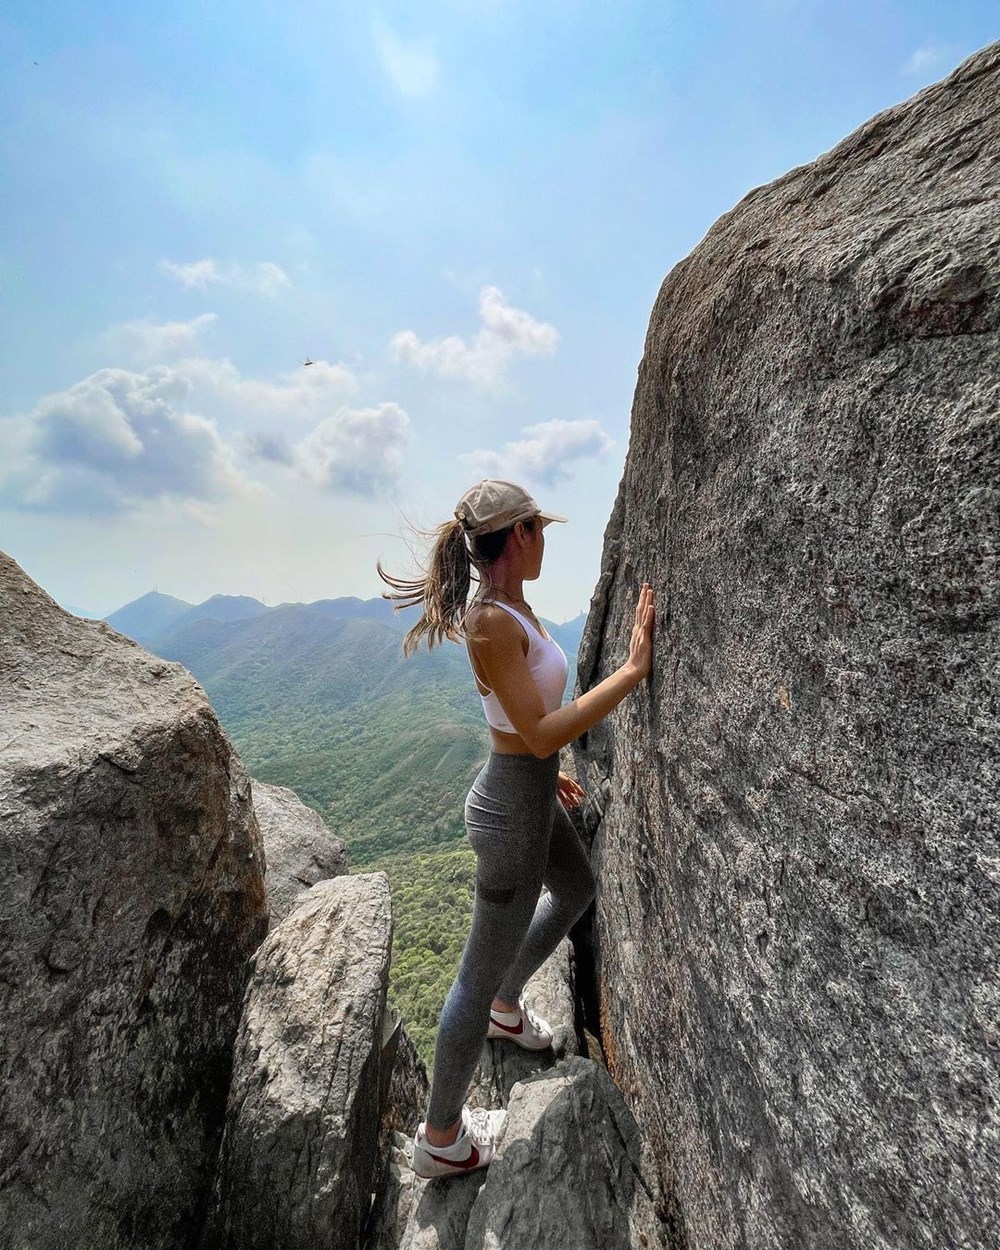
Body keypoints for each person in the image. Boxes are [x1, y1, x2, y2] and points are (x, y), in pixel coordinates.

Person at [377, 479, 654, 1179]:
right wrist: (630, 672)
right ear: (520, 533)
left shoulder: (513, 609)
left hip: (526, 797)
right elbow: (533, 734)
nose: (546, 540)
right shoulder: (490, 621)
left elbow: (523, 722)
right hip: (509, 817)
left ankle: (508, 1005)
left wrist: (549, 767)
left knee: (575, 885)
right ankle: (441, 1137)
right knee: (473, 976)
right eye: (541, 528)